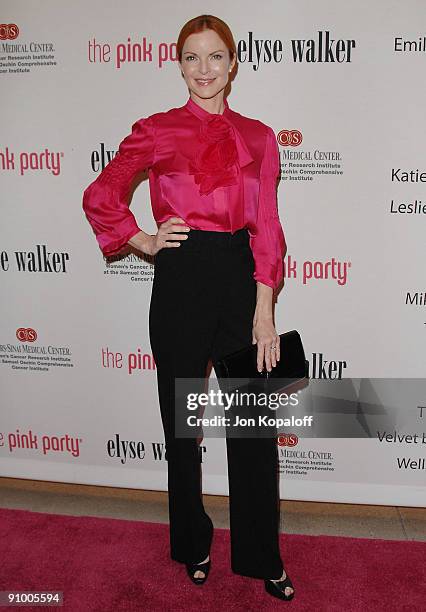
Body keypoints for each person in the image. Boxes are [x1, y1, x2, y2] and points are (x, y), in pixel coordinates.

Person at [82, 14, 294, 602]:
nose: (204, 70)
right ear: (179, 64)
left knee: (253, 426)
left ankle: (261, 555)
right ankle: (192, 543)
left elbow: (269, 226)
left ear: (234, 64)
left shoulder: (259, 136)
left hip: (239, 276)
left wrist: (265, 309)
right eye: (192, 58)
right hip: (179, 282)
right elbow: (101, 195)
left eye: (216, 57)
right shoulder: (157, 129)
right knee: (183, 426)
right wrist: (144, 240)